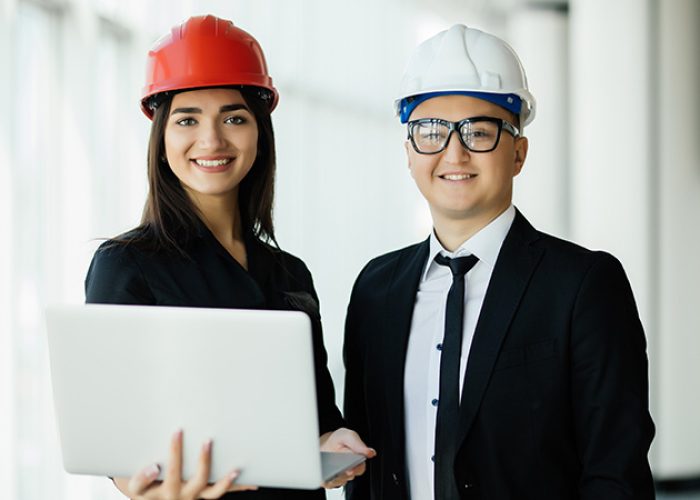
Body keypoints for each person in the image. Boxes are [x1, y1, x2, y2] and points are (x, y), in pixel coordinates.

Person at [342, 24, 655, 500]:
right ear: (409, 153)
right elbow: (366, 467)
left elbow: (616, 473)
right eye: (430, 132)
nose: (454, 152)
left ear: (518, 153)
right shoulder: (375, 288)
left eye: (480, 131)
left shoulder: (583, 285)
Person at [85, 15, 374, 500]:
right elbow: (116, 440)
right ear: (161, 139)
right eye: (188, 119)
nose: (212, 140)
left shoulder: (290, 273)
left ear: (260, 133)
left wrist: (333, 445)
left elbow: (317, 424)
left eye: (234, 118)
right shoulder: (127, 265)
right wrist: (143, 486)